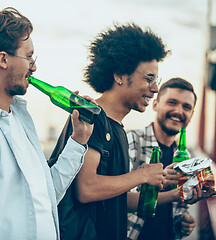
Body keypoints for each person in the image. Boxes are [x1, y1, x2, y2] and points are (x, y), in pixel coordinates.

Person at [0, 7, 93, 240]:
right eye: (28, 56)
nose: (33, 67)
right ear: (3, 59)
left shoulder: (19, 119)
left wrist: (78, 141)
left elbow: (46, 196)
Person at [55, 23, 170, 240]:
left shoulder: (116, 128)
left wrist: (173, 192)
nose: (155, 89)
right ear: (119, 75)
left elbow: (115, 199)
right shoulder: (91, 119)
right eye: (149, 78)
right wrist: (141, 175)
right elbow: (87, 189)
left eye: (157, 80)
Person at [127, 78, 202, 240]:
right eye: (172, 102)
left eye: (186, 107)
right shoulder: (132, 140)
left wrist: (183, 221)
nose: (179, 111)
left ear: (192, 114)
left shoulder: (188, 157)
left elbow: (180, 207)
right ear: (155, 104)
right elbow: (118, 200)